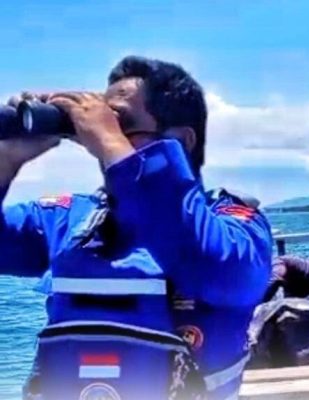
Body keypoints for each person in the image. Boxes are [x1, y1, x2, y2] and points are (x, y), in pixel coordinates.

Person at [0, 56, 272, 400]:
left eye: (121, 123)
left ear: (182, 140)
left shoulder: (234, 226)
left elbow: (215, 268)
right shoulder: (68, 219)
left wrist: (112, 141)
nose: (100, 138)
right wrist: (6, 158)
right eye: (101, 123)